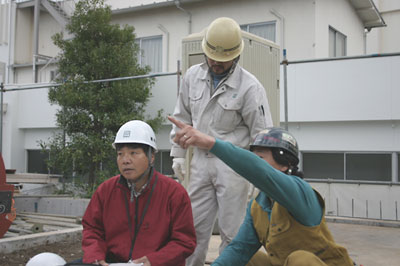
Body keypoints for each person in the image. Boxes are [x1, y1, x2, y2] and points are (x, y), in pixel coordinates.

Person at [168, 116, 355, 266]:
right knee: (247, 259)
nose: (255, 163)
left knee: (301, 260)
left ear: (285, 165)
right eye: (254, 157)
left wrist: (211, 143)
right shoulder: (258, 206)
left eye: (260, 157)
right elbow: (239, 249)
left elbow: (261, 173)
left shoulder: (300, 193)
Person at [170, 17, 272, 266]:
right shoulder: (193, 77)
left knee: (232, 232)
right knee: (192, 228)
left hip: (234, 166)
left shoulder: (250, 88)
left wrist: (259, 174)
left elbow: (262, 136)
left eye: (222, 59)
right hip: (200, 163)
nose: (215, 62)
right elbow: (181, 116)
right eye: (211, 56)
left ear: (235, 56)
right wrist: (178, 154)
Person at [81, 120, 196, 266]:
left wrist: (152, 261)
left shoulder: (173, 193)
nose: (125, 160)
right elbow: (92, 229)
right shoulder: (106, 191)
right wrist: (96, 258)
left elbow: (185, 241)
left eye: (133, 153)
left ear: (151, 156)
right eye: (120, 154)